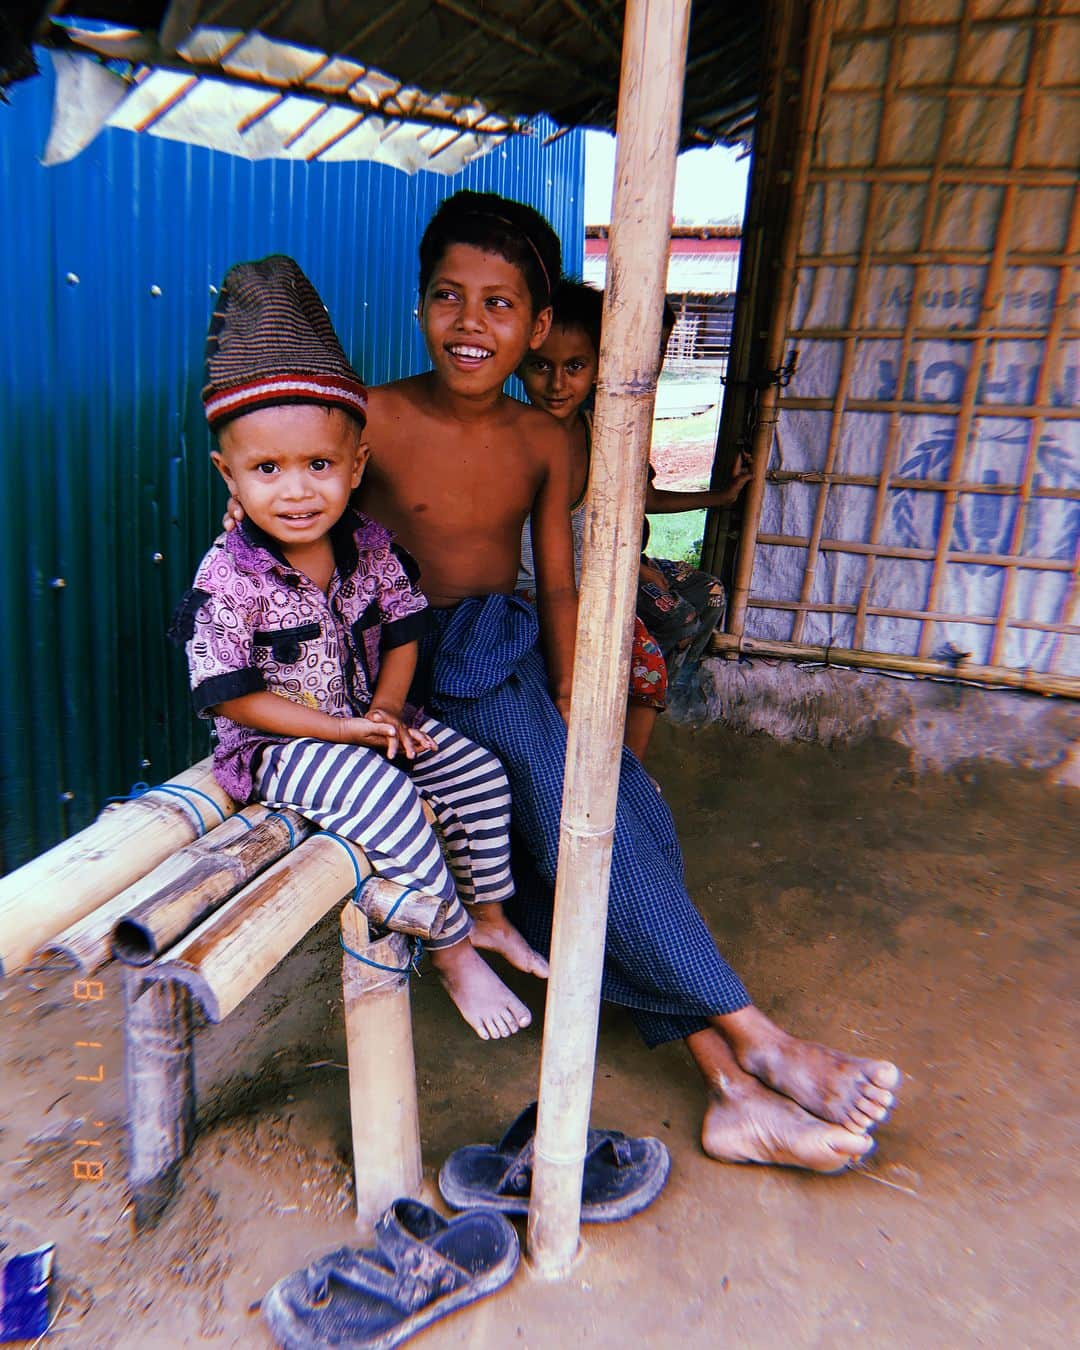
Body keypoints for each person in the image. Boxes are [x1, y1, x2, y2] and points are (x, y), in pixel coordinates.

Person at [228, 195, 901, 1171]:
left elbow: (558, 589)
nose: (472, 323)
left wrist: (580, 714)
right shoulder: (369, 417)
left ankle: (732, 1090)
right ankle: (752, 1043)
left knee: (614, 815)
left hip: (500, 660)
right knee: (568, 839)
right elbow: (290, 541)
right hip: (408, 676)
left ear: (537, 327)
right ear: (418, 304)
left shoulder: (544, 441)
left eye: (501, 304)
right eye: (449, 296)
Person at [174, 254, 547, 1042]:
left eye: (318, 465)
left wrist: (382, 709)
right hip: (278, 750)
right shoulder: (227, 578)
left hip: (362, 720)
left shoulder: (369, 544)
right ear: (228, 477)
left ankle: (487, 915)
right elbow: (231, 694)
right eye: (266, 469)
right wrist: (348, 732)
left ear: (357, 466)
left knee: (477, 770)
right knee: (390, 796)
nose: (297, 490)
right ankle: (450, 953)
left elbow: (407, 627)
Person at [516, 279, 668, 759]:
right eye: (542, 366)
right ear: (520, 362)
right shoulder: (506, 439)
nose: (558, 384)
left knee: (647, 668)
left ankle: (627, 779)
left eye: (575, 367)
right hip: (519, 597)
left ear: (599, 367)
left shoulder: (603, 439)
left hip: (588, 594)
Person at [638, 301, 753, 673]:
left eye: (661, 347)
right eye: (647, 346)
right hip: (598, 566)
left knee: (711, 594)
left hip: (632, 558)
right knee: (679, 620)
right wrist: (635, 570)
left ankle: (672, 692)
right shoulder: (589, 417)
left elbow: (644, 499)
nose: (655, 359)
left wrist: (722, 496)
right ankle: (634, 699)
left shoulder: (634, 410)